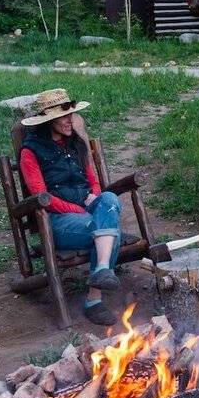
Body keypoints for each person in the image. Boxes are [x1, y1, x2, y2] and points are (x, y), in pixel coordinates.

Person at [19, 88, 122, 325]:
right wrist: (79, 209)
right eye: (64, 117)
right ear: (48, 121)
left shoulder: (75, 143)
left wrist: (94, 196)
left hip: (89, 210)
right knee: (108, 229)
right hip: (58, 221)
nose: (70, 120)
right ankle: (94, 300)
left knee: (110, 200)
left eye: (71, 115)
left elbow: (93, 180)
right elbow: (40, 195)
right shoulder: (30, 151)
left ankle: (101, 270)